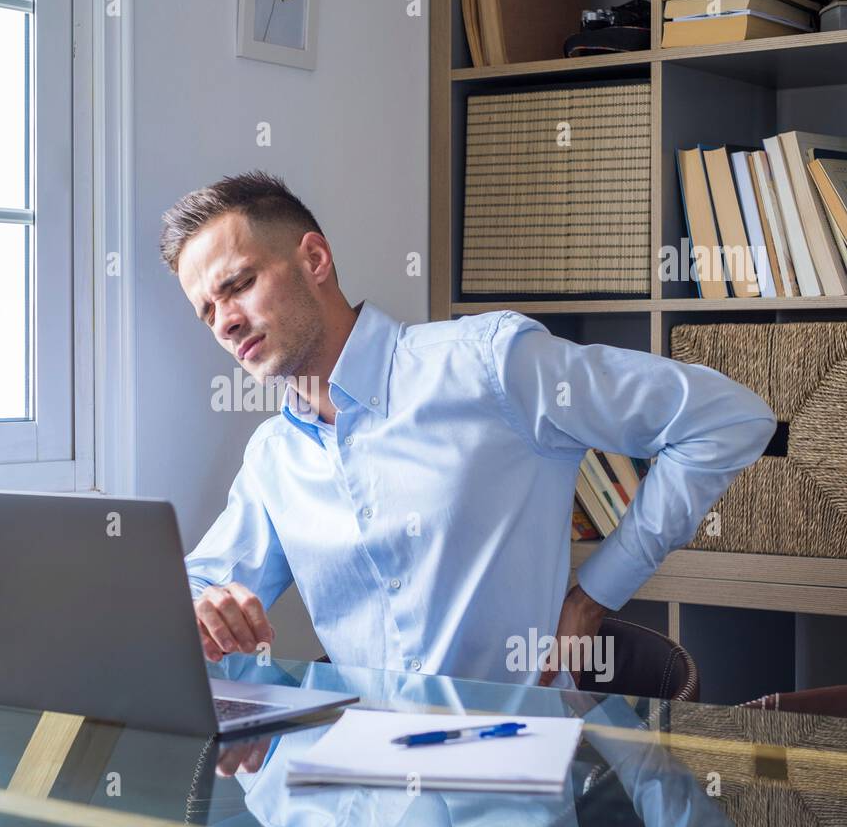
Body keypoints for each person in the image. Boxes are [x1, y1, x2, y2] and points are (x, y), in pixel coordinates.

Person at [159, 170, 775, 687]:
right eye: (206, 311)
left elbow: (727, 418)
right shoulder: (275, 458)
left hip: (514, 777)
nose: (225, 323)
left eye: (237, 286)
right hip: (360, 783)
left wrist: (593, 597)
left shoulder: (490, 364)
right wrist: (201, 606)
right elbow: (202, 580)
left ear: (314, 259)